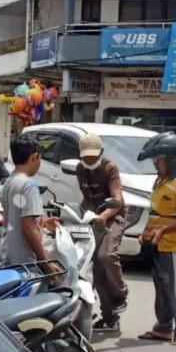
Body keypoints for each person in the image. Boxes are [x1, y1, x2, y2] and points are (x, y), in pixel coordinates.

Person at [136, 131, 176, 343]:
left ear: (172, 158)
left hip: (174, 247)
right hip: (157, 246)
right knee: (162, 290)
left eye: (159, 159)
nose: (155, 164)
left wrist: (162, 231)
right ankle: (163, 328)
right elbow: (156, 211)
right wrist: (147, 231)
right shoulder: (160, 181)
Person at [75, 133, 129, 333]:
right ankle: (110, 317)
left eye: (93, 156)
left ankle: (121, 294)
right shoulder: (81, 169)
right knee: (93, 267)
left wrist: (105, 215)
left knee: (106, 255)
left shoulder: (110, 168)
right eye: (86, 157)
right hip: (93, 218)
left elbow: (118, 198)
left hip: (114, 216)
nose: (89, 161)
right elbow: (86, 198)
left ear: (101, 153)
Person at [0, 135, 62, 271]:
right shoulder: (30, 185)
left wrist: (43, 222)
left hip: (8, 256)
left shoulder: (9, 182)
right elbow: (28, 228)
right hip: (26, 262)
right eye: (40, 159)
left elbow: (17, 217)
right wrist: (45, 263)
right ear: (34, 157)